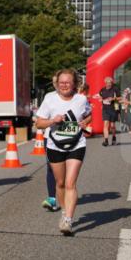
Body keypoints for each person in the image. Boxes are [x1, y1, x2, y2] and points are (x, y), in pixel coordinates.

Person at [35, 68, 92, 236]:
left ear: (74, 83)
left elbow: (89, 115)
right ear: (57, 84)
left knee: (70, 183)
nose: (64, 85)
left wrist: (84, 122)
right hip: (54, 145)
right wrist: (53, 120)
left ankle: (68, 219)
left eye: (68, 82)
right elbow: (39, 123)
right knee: (59, 183)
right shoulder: (49, 99)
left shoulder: (81, 99)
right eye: (61, 83)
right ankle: (64, 212)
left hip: (76, 144)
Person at [42, 74, 61, 212]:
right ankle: (52, 199)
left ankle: (66, 195)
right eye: (54, 82)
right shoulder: (49, 97)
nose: (56, 84)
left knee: (64, 170)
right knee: (50, 167)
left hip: (69, 139)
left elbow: (86, 114)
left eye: (58, 82)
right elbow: (41, 118)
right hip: (49, 136)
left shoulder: (74, 97)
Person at [98, 76, 121, 146]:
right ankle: (106, 140)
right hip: (105, 109)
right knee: (105, 124)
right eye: (107, 83)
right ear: (105, 83)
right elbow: (100, 97)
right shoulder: (102, 90)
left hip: (113, 109)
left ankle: (114, 138)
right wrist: (101, 100)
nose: (109, 84)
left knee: (112, 126)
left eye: (110, 83)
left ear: (112, 83)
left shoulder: (115, 89)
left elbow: (120, 98)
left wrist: (113, 99)